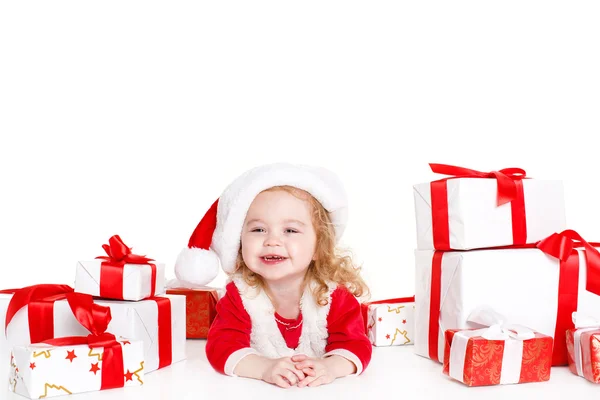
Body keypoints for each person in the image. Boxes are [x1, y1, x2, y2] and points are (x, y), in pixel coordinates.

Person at [174, 162, 372, 388]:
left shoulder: (334, 294)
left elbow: (356, 344)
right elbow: (221, 347)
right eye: (258, 230)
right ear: (240, 243)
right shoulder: (240, 295)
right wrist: (264, 368)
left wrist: (331, 368)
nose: (272, 241)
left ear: (319, 247)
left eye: (290, 230)